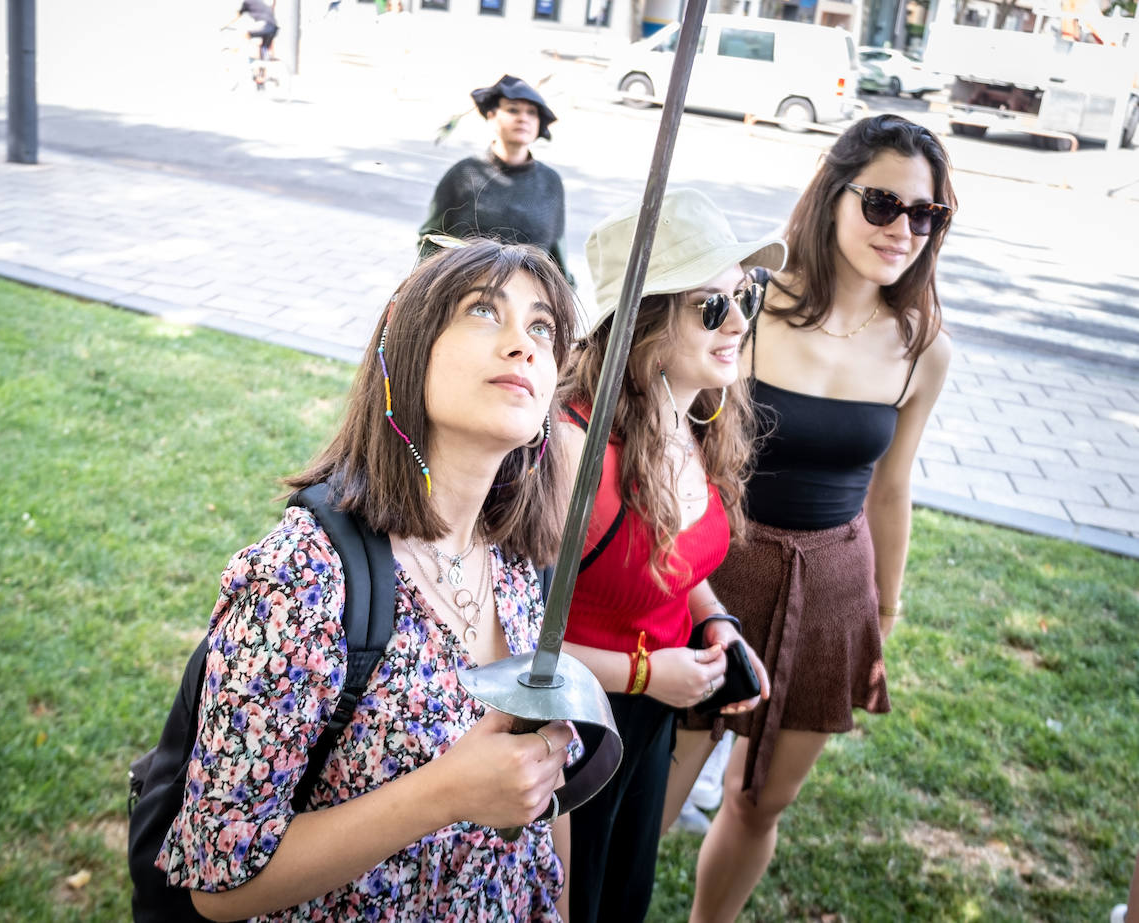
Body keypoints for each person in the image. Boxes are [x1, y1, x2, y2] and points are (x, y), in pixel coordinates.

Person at [154, 239, 580, 920]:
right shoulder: (305, 577)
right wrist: (445, 791)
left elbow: (541, 809)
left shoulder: (519, 564)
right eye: (482, 310)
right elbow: (218, 881)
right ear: (406, 352)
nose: (523, 344)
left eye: (541, 327)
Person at [683, 114, 956, 922]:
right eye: (882, 202)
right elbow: (673, 439)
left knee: (760, 800)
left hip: (833, 589)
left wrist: (885, 608)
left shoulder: (922, 346)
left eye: (925, 214)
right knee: (655, 775)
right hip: (712, 577)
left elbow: (890, 486)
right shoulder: (748, 305)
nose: (902, 228)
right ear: (832, 194)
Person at [556, 188, 780, 923]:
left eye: (745, 294)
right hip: (570, 738)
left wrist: (715, 620)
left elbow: (675, 563)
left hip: (647, 727)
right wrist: (650, 672)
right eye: (712, 305)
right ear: (646, 321)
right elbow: (509, 639)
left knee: (625, 898)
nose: (742, 321)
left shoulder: (696, 421)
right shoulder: (572, 450)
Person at [419, 75, 574, 285]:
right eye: (513, 110)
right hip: (464, 293)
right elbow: (430, 241)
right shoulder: (465, 174)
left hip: (526, 303)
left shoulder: (550, 182)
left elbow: (557, 256)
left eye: (531, 113)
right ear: (491, 116)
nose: (523, 118)